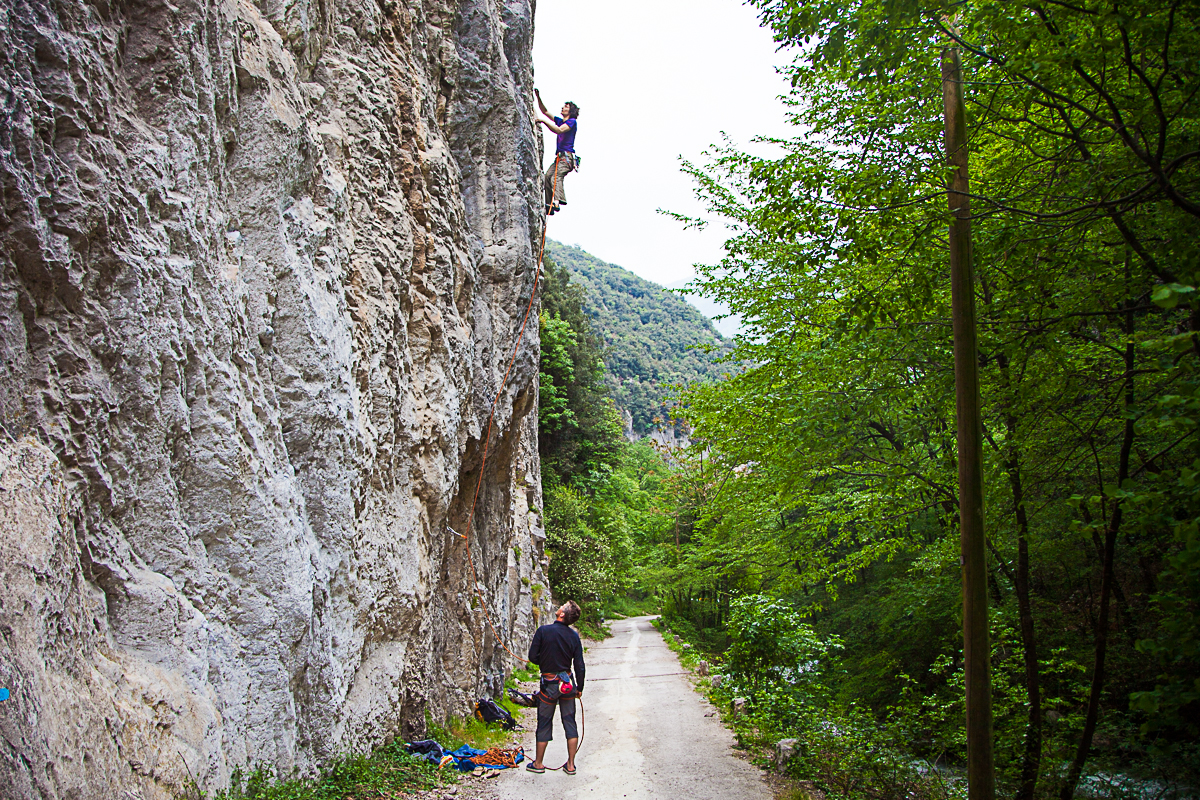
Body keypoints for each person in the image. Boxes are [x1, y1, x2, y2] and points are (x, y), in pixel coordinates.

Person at [525, 600, 586, 775]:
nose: (559, 607)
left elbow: (532, 657)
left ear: (561, 614)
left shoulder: (543, 631)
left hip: (549, 684)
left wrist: (544, 661)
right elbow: (579, 665)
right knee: (569, 721)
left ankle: (538, 764)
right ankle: (571, 765)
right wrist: (579, 687)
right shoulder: (573, 636)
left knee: (544, 722)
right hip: (567, 685)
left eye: (562, 606)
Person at [535, 89, 578, 216]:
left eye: (566, 107)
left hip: (567, 157)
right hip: (559, 157)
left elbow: (559, 130)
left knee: (555, 177)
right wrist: (538, 96)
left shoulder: (571, 122)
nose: (563, 108)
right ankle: (549, 205)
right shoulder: (561, 120)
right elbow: (545, 111)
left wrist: (543, 121)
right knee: (548, 176)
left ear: (570, 111)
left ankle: (557, 201)